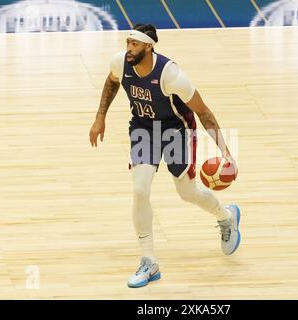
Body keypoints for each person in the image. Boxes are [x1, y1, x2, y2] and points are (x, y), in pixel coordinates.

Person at [89, 24, 241, 288]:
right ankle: (149, 261)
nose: (129, 49)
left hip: (176, 130)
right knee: (140, 189)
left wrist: (225, 152)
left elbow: (203, 112)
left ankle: (226, 216)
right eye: (127, 43)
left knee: (187, 193)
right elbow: (112, 81)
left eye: (134, 45)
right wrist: (100, 117)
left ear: (149, 46)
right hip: (143, 128)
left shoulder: (170, 75)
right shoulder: (120, 62)